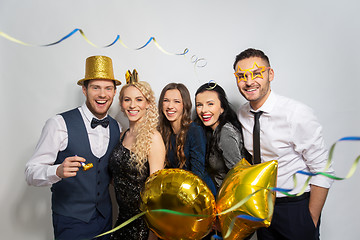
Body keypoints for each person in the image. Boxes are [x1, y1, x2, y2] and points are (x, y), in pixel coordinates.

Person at [234, 48, 335, 240]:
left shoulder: (296, 113)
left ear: (270, 74)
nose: (249, 82)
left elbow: (324, 170)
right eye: (242, 76)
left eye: (257, 74)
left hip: (294, 208)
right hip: (262, 208)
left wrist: (309, 220)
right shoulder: (242, 114)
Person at [25, 55, 122, 240]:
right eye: (96, 88)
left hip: (105, 219)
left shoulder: (117, 127)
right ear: (84, 90)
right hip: (71, 221)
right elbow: (30, 172)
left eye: (108, 88)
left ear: (115, 92)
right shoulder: (58, 124)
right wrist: (57, 171)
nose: (102, 94)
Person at [109, 69, 165, 240]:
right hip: (122, 219)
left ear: (148, 103)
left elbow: (157, 194)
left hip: (143, 224)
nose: (133, 105)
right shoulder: (122, 135)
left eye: (139, 99)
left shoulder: (153, 138)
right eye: (127, 100)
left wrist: (153, 235)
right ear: (122, 104)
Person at [158, 83, 216, 195]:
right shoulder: (163, 132)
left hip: (199, 193)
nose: (170, 106)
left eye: (176, 101)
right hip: (179, 193)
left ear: (185, 105)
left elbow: (197, 174)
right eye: (166, 101)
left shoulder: (195, 131)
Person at [194, 82, 248, 193]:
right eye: (199, 105)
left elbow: (238, 175)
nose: (204, 110)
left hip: (231, 201)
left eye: (210, 104)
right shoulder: (209, 132)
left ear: (222, 108)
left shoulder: (225, 132)